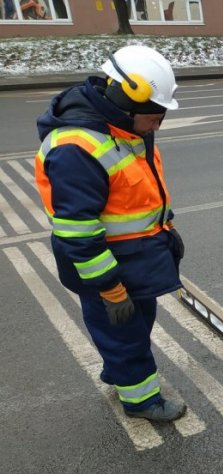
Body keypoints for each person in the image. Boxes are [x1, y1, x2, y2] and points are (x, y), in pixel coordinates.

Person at [34, 45, 187, 423]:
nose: (157, 126)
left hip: (136, 258)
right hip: (110, 267)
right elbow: (78, 233)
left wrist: (164, 228)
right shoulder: (76, 149)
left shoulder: (123, 128)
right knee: (126, 334)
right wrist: (109, 286)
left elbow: (133, 195)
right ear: (124, 99)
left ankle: (119, 371)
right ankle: (141, 401)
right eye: (154, 117)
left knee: (132, 326)